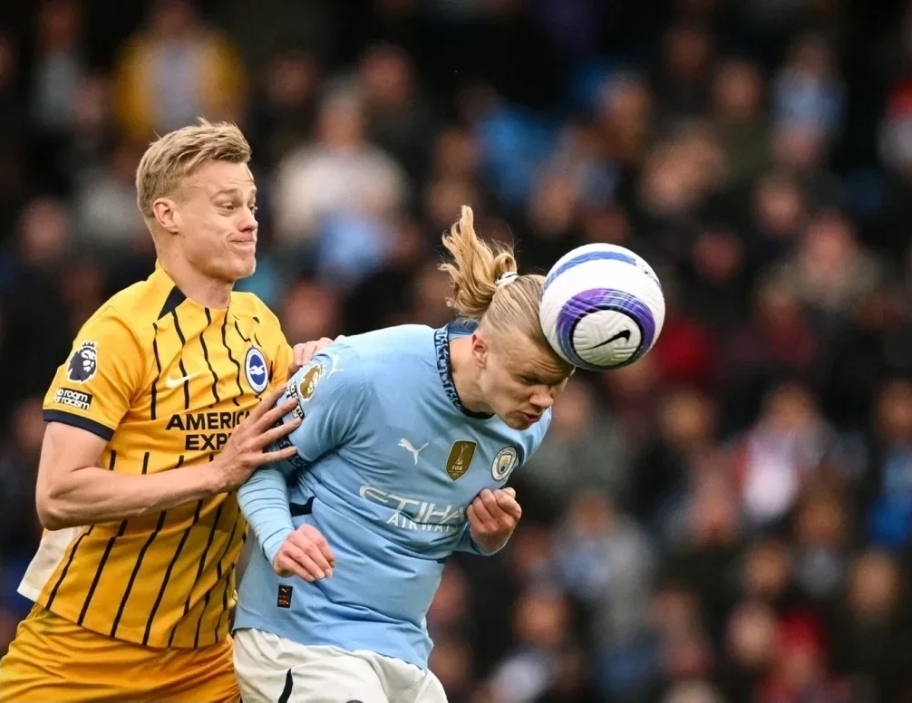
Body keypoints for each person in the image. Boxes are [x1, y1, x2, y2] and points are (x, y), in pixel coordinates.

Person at [0, 119, 333, 703]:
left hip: (205, 659)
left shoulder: (261, 325)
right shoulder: (120, 330)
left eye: (251, 205)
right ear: (168, 214)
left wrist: (325, 372)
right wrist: (215, 473)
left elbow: (300, 452)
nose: (250, 221)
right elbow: (57, 494)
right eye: (228, 206)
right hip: (83, 651)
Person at [232, 205, 575, 703]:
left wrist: (483, 536)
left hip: (403, 650)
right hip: (300, 637)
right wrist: (278, 536)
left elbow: (416, 516)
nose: (543, 400)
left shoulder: (527, 422)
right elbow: (255, 462)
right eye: (528, 379)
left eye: (556, 383)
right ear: (480, 348)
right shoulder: (365, 372)